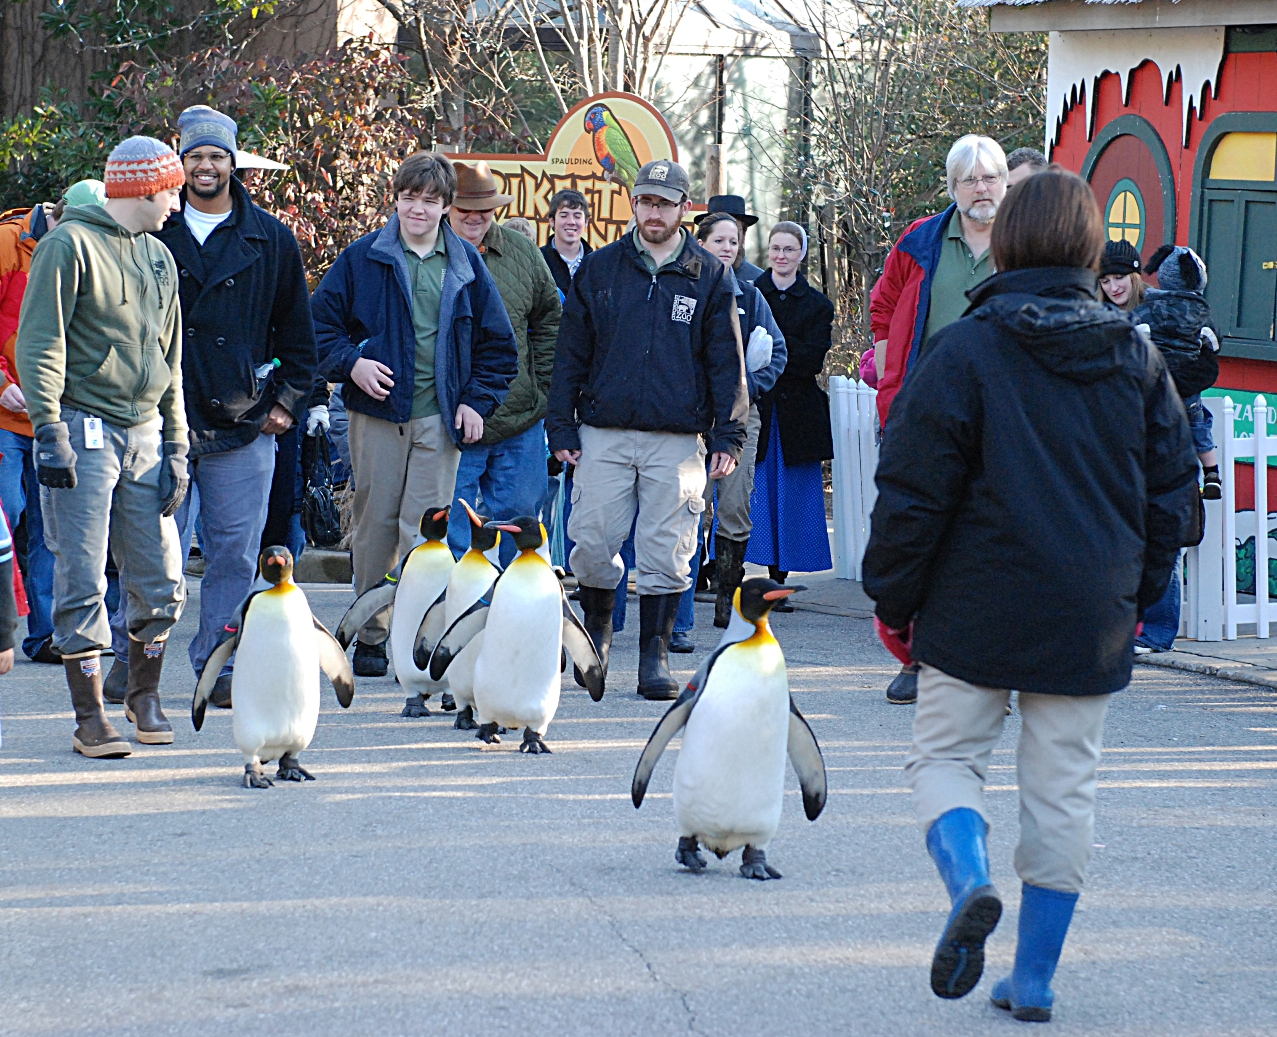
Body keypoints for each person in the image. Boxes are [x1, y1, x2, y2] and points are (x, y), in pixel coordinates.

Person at [862, 168, 1198, 1021]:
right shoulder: (1136, 357)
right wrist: (1134, 593)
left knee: (944, 760)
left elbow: (912, 490)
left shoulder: (966, 349)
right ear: (1090, 246)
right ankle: (1035, 977)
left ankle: (969, 879)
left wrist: (891, 597)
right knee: (1062, 794)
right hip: (1086, 612)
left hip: (971, 603)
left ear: (1005, 240)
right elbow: (1172, 498)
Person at [105, 106, 321, 709]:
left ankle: (219, 665)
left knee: (234, 552)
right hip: (160, 419)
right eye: (194, 155)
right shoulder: (149, 229)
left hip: (243, 423)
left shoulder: (271, 238)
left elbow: (298, 338)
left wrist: (282, 403)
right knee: (154, 550)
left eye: (216, 156)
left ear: (233, 162)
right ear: (179, 161)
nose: (205, 166)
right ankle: (132, 656)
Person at [546, 159, 748, 701]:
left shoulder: (710, 274)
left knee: (667, 551)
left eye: (664, 202)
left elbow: (727, 362)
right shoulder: (601, 269)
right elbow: (570, 354)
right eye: (645, 201)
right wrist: (560, 424)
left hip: (676, 438)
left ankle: (653, 655)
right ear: (633, 204)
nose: (653, 212)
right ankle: (600, 636)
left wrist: (729, 435)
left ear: (685, 208)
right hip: (602, 432)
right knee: (589, 542)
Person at [311, 152, 518, 677]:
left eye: (429, 200)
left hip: (439, 418)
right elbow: (317, 330)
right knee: (374, 524)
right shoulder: (363, 258)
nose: (417, 209)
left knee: (422, 532)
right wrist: (351, 364)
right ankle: (373, 632)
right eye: (409, 198)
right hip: (377, 415)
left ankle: (411, 633)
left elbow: (500, 349)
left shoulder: (468, 266)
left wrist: (475, 401)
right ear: (395, 198)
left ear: (447, 206)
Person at [16, 136, 190, 758]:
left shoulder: (161, 258)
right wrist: (49, 431)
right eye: (171, 190)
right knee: (82, 574)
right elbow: (40, 343)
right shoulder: (67, 245)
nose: (178, 201)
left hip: (146, 433)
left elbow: (171, 359)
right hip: (84, 430)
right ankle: (89, 715)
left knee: (162, 574)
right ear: (143, 189)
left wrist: (177, 445)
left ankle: (142, 693)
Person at [869, 133, 1008, 705]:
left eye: (991, 177)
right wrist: (892, 379)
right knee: (924, 536)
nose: (982, 188)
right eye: (970, 179)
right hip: (926, 418)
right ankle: (918, 655)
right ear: (952, 187)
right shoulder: (921, 240)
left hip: (1005, 418)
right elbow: (882, 306)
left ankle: (995, 658)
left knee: (997, 539)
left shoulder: (1027, 240)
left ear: (1005, 183)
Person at [0, 181, 104, 665]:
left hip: (56, 415)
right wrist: (1, 385)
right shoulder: (7, 244)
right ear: (59, 218)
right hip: (4, 410)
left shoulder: (99, 254)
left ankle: (45, 635)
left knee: (47, 528)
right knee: (10, 511)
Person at [444, 162, 561, 567]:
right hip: (450, 422)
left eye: (486, 208)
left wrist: (541, 386)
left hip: (518, 418)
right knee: (451, 529)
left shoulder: (522, 251)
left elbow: (549, 317)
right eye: (465, 208)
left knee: (520, 523)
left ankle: (509, 612)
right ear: (447, 207)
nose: (476, 216)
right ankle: (458, 616)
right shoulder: (430, 252)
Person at [693, 212, 787, 635]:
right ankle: (679, 606)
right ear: (700, 244)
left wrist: (750, 388)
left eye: (734, 242)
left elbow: (779, 351)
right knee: (690, 510)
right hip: (691, 420)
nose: (728, 248)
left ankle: (726, 601)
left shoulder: (752, 297)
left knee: (733, 508)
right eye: (719, 240)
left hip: (742, 418)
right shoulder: (685, 292)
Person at [1131, 245, 1222, 654]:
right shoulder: (1196, 314)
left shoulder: (1146, 311)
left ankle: (1157, 630)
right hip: (1133, 437)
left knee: (1164, 538)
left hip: (1166, 443)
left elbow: (1205, 366)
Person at [747, 222, 833, 594]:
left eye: (789, 249)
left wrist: (770, 354)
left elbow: (811, 360)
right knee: (756, 489)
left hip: (797, 413)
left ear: (801, 254)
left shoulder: (818, 304)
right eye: (776, 249)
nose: (781, 256)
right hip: (758, 405)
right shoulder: (751, 295)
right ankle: (754, 565)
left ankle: (783, 573)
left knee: (794, 492)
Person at [695, 195, 764, 281]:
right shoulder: (685, 278)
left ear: (744, 233)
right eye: (719, 240)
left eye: (734, 229)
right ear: (702, 243)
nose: (727, 248)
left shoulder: (758, 280)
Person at [541, 189, 592, 300]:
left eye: (577, 216)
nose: (571, 222)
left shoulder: (597, 263)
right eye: (564, 215)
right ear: (552, 221)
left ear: (586, 222)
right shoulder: (538, 260)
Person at [1098, 238, 1145, 311]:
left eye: (1119, 277)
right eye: (1105, 281)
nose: (1114, 288)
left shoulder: (1157, 313)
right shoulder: (1093, 315)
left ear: (1135, 277)